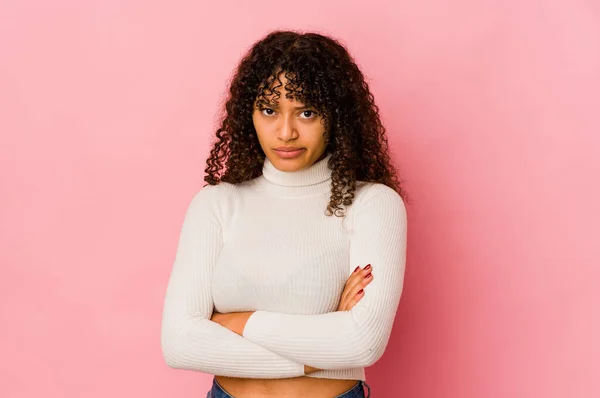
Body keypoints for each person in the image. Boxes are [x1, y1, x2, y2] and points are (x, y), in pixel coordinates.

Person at [160, 30, 408, 398]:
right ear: (250, 113)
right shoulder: (216, 204)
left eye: (306, 112)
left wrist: (238, 322)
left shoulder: (372, 204)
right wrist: (318, 351)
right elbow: (179, 343)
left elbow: (362, 342)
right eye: (269, 110)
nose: (286, 132)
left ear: (335, 116)